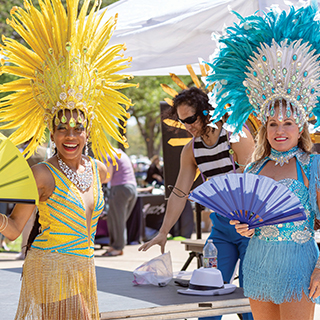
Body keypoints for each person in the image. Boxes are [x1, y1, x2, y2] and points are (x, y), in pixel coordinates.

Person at [0, 0, 134, 318]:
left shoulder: (99, 170)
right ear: (52, 132)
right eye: (61, 128)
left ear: (88, 131)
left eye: (77, 128)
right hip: (49, 268)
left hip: (84, 269)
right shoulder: (42, 174)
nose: (69, 136)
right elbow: (16, 229)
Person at [203, 2, 320, 319]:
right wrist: (244, 228)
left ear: (300, 127)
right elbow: (249, 223)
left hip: (298, 265)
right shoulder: (252, 169)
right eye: (273, 123)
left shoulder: (312, 166)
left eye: (287, 123)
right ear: (264, 128)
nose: (280, 130)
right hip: (256, 264)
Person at [139, 86, 255, 320]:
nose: (187, 126)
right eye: (183, 121)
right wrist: (163, 232)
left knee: (249, 297)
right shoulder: (191, 149)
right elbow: (179, 192)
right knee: (207, 294)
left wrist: (252, 223)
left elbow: (254, 182)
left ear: (205, 111)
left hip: (251, 225)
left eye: (191, 119)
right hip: (221, 226)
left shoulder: (235, 134)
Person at [102, 148, 137, 257]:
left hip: (119, 188)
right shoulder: (120, 153)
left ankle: (117, 247)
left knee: (116, 220)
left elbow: (107, 178)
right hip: (132, 188)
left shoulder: (108, 155)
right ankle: (114, 246)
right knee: (117, 219)